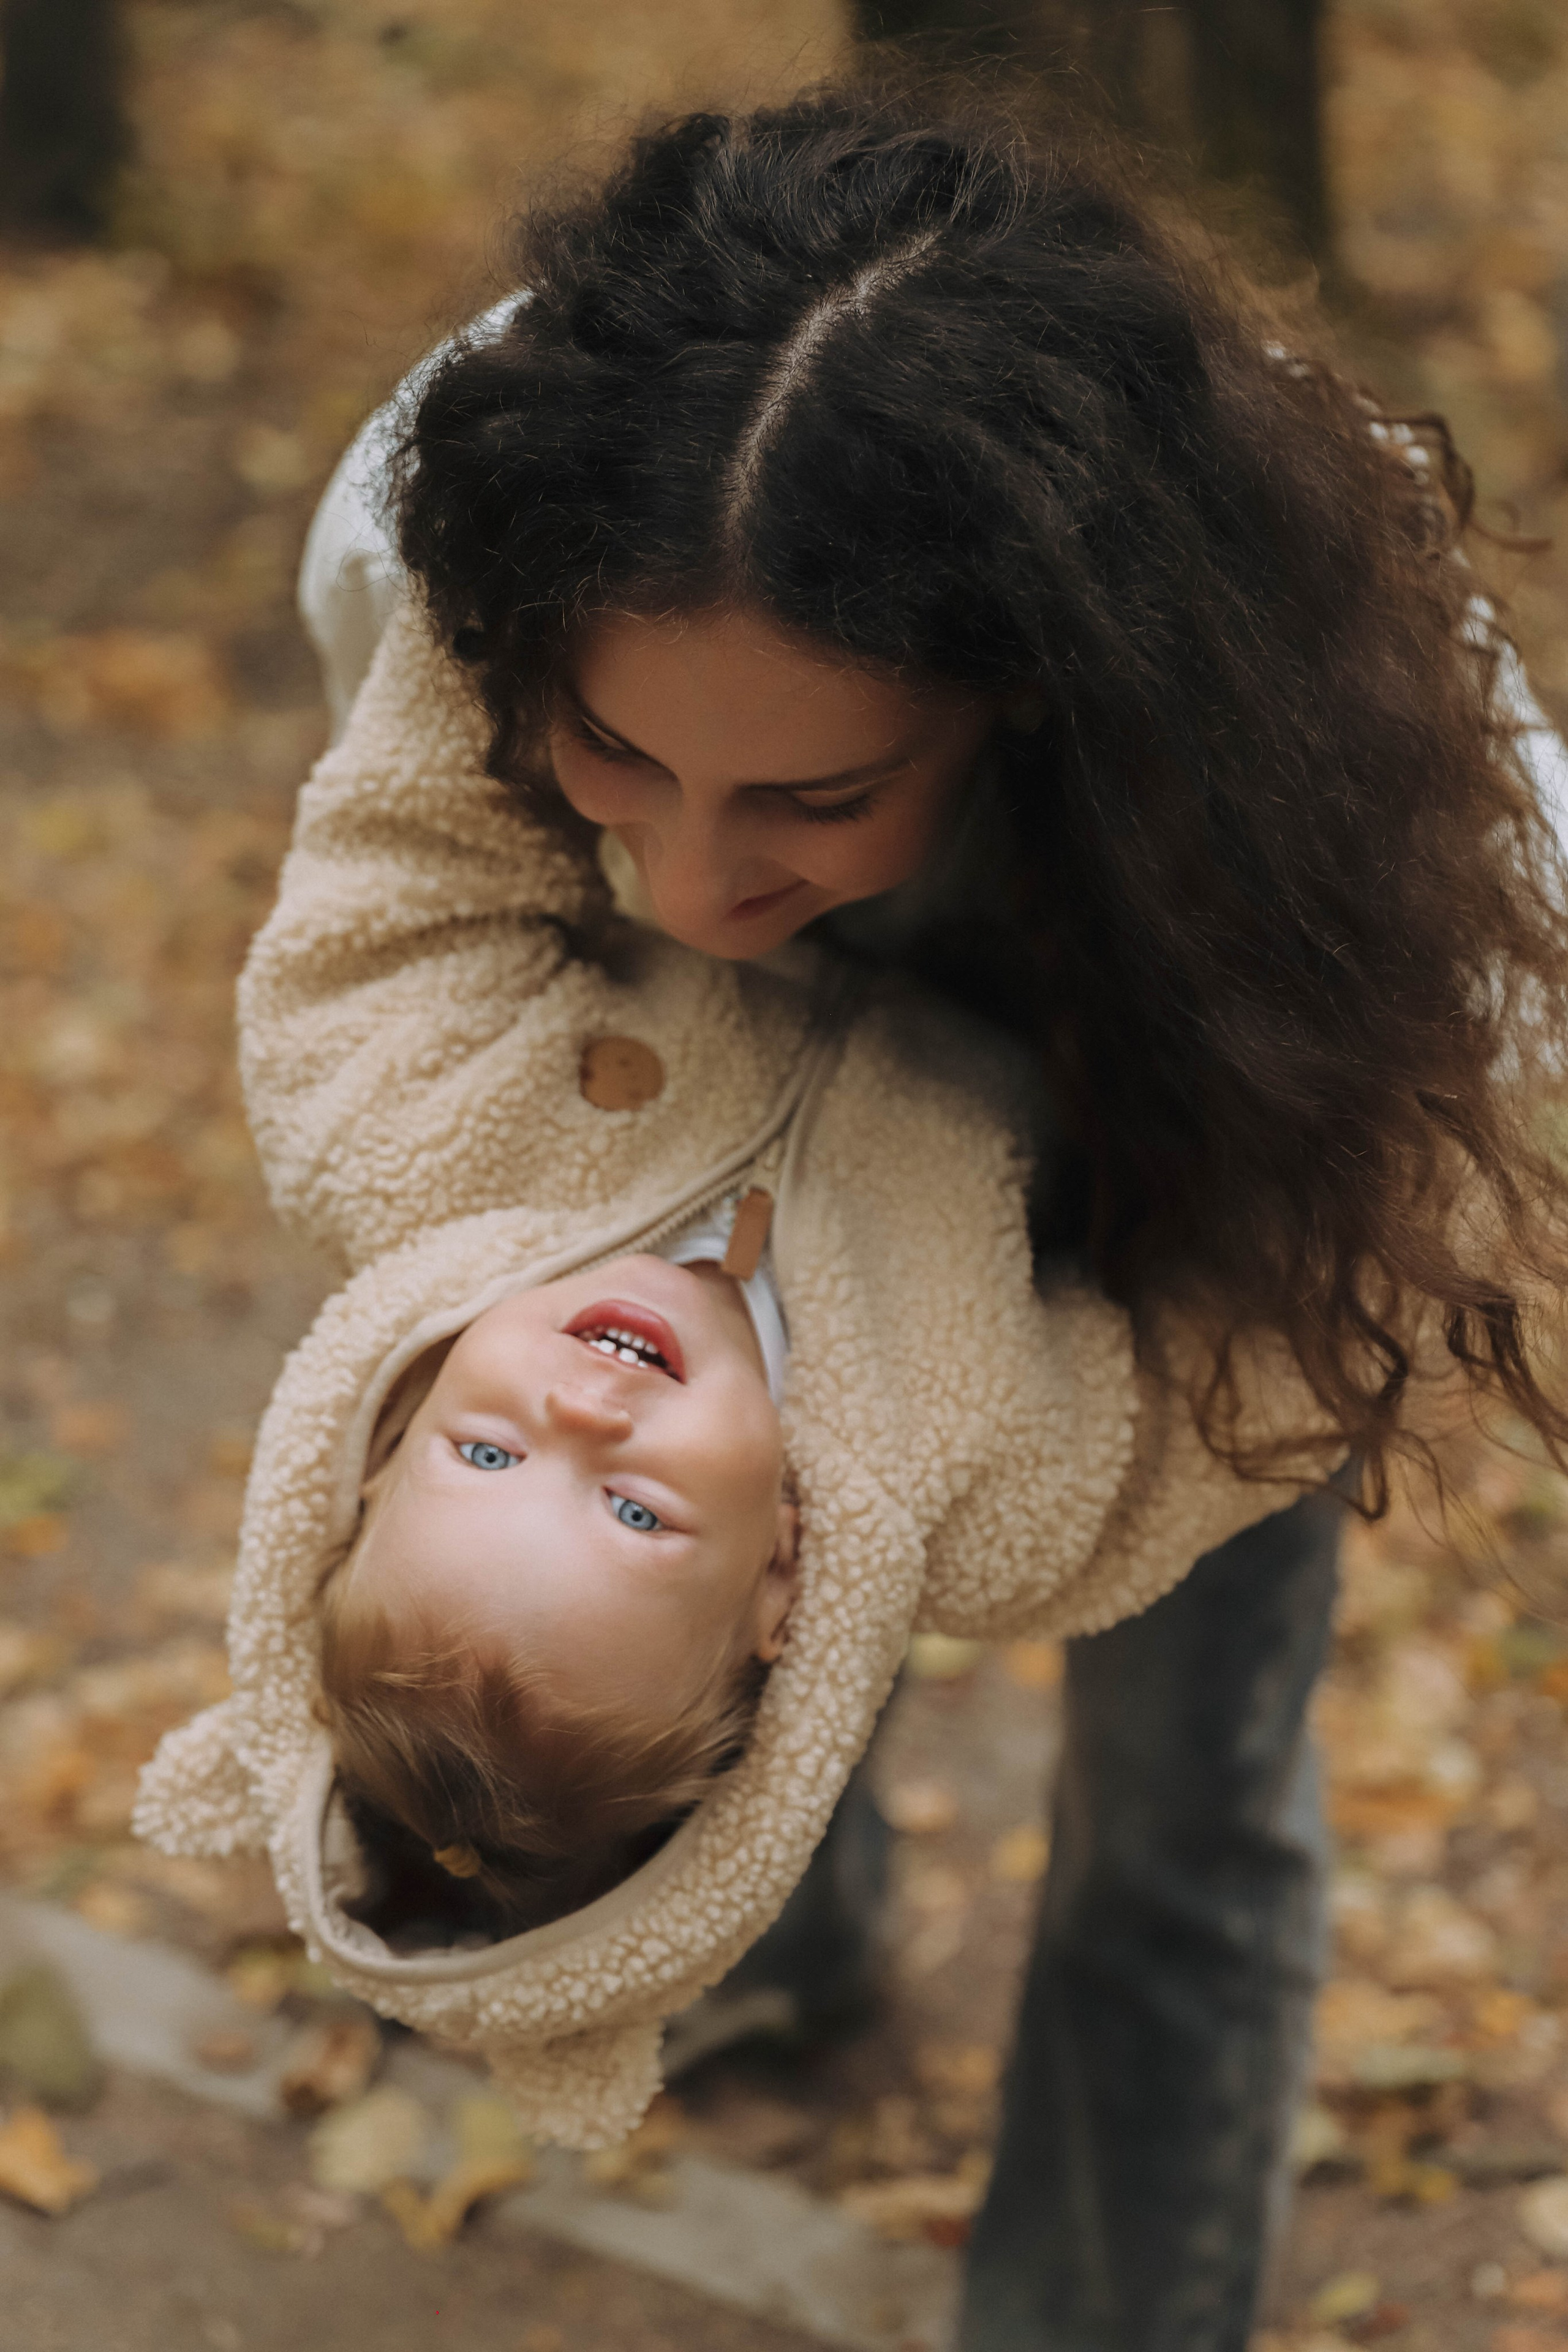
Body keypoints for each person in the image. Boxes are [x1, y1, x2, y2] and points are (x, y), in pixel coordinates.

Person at [272, 80, 1568, 2348]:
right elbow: (408, 870)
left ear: (1033, 692)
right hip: (786, 1224)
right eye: (616, 753)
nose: (687, 882)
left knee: (1183, 1801)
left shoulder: (1343, 769)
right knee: (670, 1633)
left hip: (1206, 1117)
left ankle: (1106, 2308)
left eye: (806, 790)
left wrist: (1076, 1375)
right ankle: (790, 1928)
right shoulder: (445, 534)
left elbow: (1250, 1384)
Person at [136, 592, 1324, 2146]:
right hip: (1153, 990)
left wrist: (493, 574)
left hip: (796, 826)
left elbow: (403, 877)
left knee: (1109, 1806)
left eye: (487, 1460)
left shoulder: (405, 1143)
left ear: (381, 1446)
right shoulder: (987, 1474)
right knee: (1175, 1828)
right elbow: (1264, 1371)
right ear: (781, 1581)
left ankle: (806, 1953)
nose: (582, 1413)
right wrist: (1383, 1042)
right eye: (632, 1514)